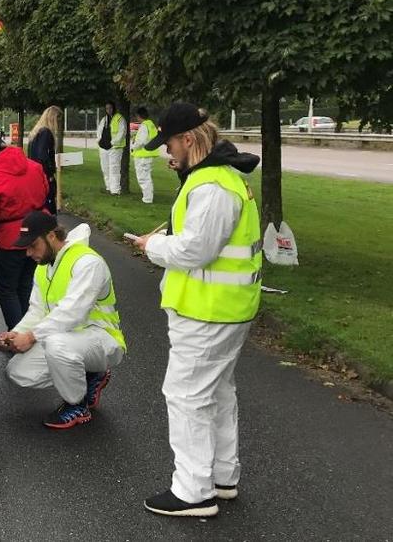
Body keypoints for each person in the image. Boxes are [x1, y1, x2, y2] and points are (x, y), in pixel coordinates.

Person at [132, 103, 262, 518]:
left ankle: (193, 491)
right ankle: (222, 479)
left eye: (170, 144)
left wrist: (151, 245)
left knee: (186, 396)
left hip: (207, 312)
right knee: (218, 394)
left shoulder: (210, 186)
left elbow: (194, 250)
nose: (167, 153)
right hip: (225, 308)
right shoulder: (218, 178)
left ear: (188, 139)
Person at [0, 212, 125, 429]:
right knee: (18, 372)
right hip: (68, 341)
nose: (28, 253)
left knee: (58, 346)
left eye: (33, 245)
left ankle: (77, 404)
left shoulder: (87, 262)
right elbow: (37, 311)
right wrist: (17, 333)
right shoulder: (43, 268)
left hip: (101, 338)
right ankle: (90, 374)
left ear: (51, 237)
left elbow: (72, 312)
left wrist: (31, 337)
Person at [0, 136, 48, 330]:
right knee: (26, 285)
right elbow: (46, 191)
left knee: (7, 290)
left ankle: (16, 336)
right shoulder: (34, 166)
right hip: (38, 234)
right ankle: (28, 330)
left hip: (10, 240)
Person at [27, 105, 62, 214]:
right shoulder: (46, 133)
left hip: (34, 173)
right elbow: (43, 155)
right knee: (48, 204)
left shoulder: (36, 132)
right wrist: (50, 173)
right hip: (43, 174)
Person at [96, 102, 126, 195]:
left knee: (114, 169)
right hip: (103, 148)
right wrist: (99, 141)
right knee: (105, 168)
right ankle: (108, 187)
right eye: (107, 108)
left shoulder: (119, 119)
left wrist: (112, 143)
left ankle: (115, 190)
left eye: (110, 108)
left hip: (115, 148)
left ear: (114, 108)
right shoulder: (104, 119)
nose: (109, 110)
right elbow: (99, 131)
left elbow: (122, 133)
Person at [131, 107, 158, 204]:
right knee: (146, 177)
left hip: (142, 155)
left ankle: (147, 199)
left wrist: (133, 146)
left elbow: (141, 141)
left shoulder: (144, 126)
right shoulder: (151, 124)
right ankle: (148, 197)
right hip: (148, 154)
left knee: (143, 178)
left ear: (138, 116)